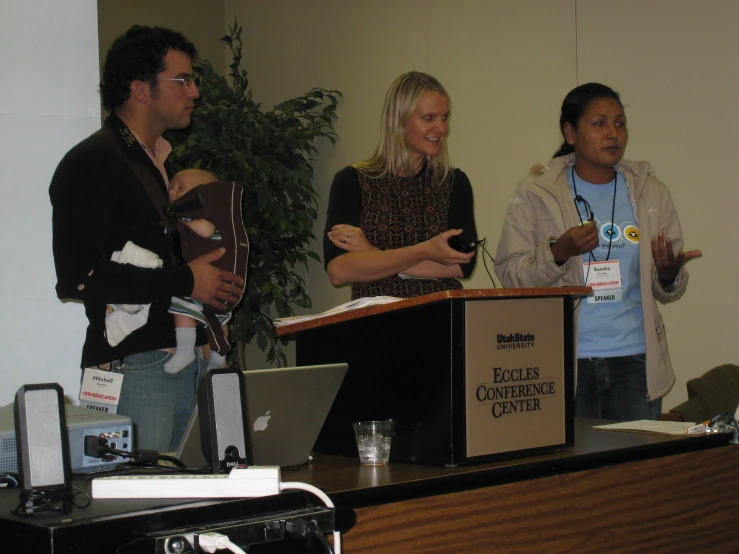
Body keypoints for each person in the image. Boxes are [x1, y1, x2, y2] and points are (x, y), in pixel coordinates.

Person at [49, 26, 244, 452]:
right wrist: (186, 281)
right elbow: (77, 277)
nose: (194, 92)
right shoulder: (92, 162)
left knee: (184, 507)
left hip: (176, 359)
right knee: (136, 508)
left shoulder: (157, 166)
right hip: (133, 367)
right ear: (141, 89)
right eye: (183, 81)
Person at [494, 82, 701, 421]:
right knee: (573, 472)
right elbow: (509, 274)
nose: (612, 134)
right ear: (570, 132)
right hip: (562, 363)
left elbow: (667, 287)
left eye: (619, 124)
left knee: (633, 470)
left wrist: (668, 274)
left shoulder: (651, 192)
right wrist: (558, 252)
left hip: (635, 363)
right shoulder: (536, 193)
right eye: (599, 123)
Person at [323, 71, 478, 299]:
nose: (441, 128)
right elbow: (339, 270)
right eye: (428, 118)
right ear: (399, 120)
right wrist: (425, 251)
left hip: (441, 321)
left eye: (444, 117)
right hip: (376, 323)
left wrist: (374, 253)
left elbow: (461, 265)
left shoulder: (454, 183)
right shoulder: (352, 181)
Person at [104, 168, 247, 374]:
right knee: (218, 321)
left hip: (210, 283)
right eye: (170, 188)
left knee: (181, 306)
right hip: (222, 288)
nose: (172, 192)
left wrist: (180, 219)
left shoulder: (210, 218)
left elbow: (206, 230)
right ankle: (218, 358)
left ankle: (187, 350)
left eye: (181, 188)